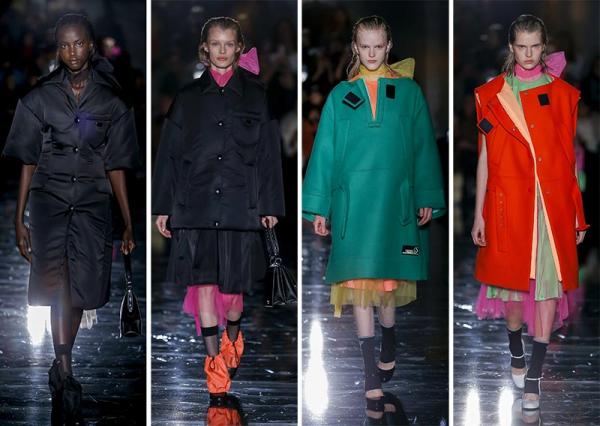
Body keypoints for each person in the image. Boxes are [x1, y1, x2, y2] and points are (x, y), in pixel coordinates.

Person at [302, 15, 445, 417]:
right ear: (355, 47)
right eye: (364, 46)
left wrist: (425, 195)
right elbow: (325, 151)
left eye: (377, 46)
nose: (370, 53)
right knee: (358, 284)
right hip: (353, 202)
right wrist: (319, 207)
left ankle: (389, 337)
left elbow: (422, 145)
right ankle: (370, 376)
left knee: (386, 286)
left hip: (393, 202)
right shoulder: (340, 96)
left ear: (388, 46)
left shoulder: (409, 93)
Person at [2, 13, 139, 423]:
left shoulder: (111, 102)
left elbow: (117, 165)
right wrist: (19, 219)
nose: (72, 51)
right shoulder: (39, 99)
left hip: (93, 205)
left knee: (81, 289)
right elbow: (27, 161)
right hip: (50, 203)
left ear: (91, 46)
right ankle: (65, 369)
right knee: (58, 285)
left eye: (78, 43)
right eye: (64, 45)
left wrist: (128, 221)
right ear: (57, 49)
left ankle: (61, 364)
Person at [152, 16, 285, 399]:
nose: (222, 50)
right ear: (205, 48)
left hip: (241, 207)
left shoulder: (256, 97)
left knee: (234, 292)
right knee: (205, 285)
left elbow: (269, 154)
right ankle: (213, 364)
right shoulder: (188, 98)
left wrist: (270, 205)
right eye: (216, 43)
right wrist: (163, 206)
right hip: (195, 204)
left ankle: (233, 336)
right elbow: (169, 154)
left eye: (229, 43)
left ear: (239, 48)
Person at [471, 14, 589, 413]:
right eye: (521, 46)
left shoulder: (563, 95)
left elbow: (568, 159)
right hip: (509, 204)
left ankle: (534, 375)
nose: (528, 53)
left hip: (550, 206)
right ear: (511, 47)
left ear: (543, 46)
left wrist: (577, 213)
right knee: (513, 296)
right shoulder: (491, 95)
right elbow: (484, 158)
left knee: (549, 286)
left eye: (535, 46)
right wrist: (479, 214)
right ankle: (516, 351)